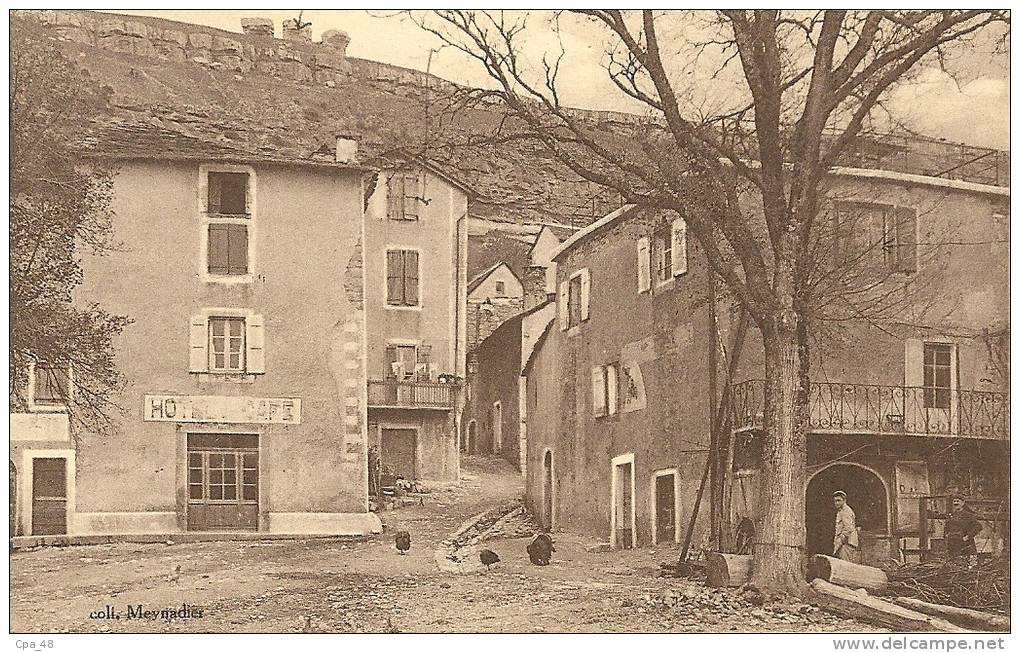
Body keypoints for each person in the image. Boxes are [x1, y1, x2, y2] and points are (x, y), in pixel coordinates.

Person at [832, 490, 860, 562]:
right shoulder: (841, 511)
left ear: (844, 500)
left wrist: (841, 540)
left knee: (845, 565)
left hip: (846, 543)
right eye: (835, 501)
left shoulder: (846, 511)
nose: (836, 503)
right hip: (844, 543)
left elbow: (848, 528)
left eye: (839, 500)